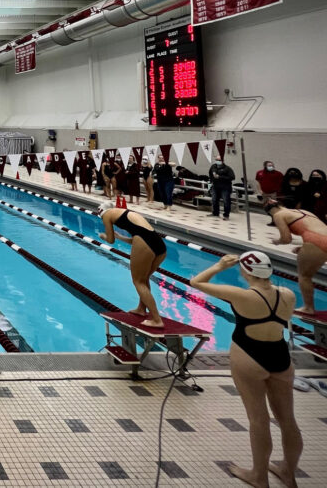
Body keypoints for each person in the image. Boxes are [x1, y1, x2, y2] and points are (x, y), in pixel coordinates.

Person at [189, 252, 302, 488]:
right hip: (280, 356)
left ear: (246, 271)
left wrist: (220, 265)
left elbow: (196, 282)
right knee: (288, 420)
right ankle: (288, 473)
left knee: (258, 420)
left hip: (249, 356)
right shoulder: (288, 294)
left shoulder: (240, 295)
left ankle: (259, 476)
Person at [98, 200, 167, 328]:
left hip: (146, 242)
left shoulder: (107, 215)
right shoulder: (124, 212)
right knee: (144, 279)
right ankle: (141, 309)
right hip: (159, 245)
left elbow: (110, 240)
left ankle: (157, 320)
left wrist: (104, 236)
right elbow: (139, 238)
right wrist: (121, 237)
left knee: (138, 281)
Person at [265, 199, 327, 315]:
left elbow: (286, 239)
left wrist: (277, 241)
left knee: (304, 276)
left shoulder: (278, 215)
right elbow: (315, 229)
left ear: (270, 212)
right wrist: (304, 247)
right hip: (321, 237)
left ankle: (308, 308)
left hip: (315, 241)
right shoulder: (302, 211)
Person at [209, 154, 237, 220]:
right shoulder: (213, 167)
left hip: (225, 187)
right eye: (216, 160)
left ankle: (226, 215)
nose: (217, 161)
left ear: (223, 161)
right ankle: (215, 213)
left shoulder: (227, 169)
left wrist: (220, 177)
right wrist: (211, 181)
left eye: (219, 160)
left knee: (226, 201)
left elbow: (232, 177)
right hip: (215, 186)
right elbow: (210, 174)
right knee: (214, 200)